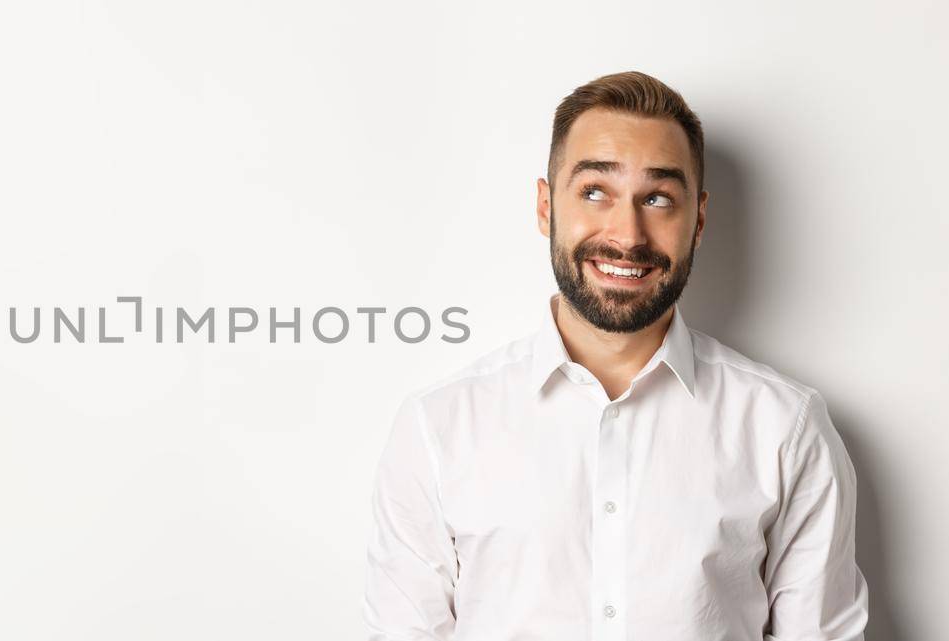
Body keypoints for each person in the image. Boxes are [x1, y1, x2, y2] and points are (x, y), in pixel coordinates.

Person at [363, 71, 868, 641]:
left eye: (657, 198)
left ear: (697, 220)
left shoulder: (786, 428)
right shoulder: (438, 428)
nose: (627, 235)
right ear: (545, 206)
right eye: (595, 191)